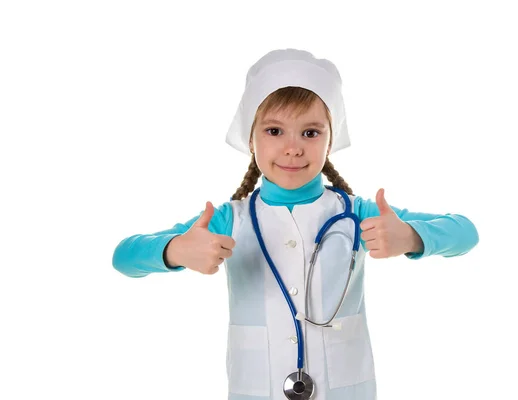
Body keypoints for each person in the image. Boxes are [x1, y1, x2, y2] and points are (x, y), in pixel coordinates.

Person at [112, 48, 479, 400]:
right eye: (274, 131)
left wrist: (412, 237)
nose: (293, 148)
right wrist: (174, 250)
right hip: (258, 388)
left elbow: (465, 232)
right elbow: (124, 256)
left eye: (310, 132)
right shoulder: (228, 219)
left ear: (330, 139)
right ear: (250, 139)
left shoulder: (359, 214)